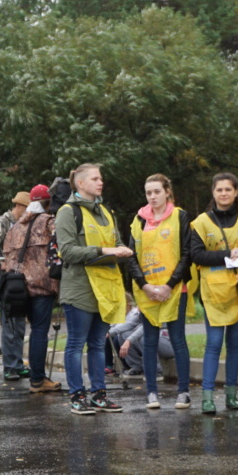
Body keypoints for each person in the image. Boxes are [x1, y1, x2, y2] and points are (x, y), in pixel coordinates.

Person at [57, 163, 140, 416]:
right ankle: (77, 395)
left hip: (105, 289)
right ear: (80, 183)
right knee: (76, 344)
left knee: (96, 344)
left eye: (101, 178)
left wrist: (122, 249)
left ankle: (99, 395)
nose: (100, 182)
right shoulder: (67, 212)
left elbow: (115, 243)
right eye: (94, 178)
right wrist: (106, 251)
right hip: (80, 290)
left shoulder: (105, 211)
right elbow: (67, 251)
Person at [187, 174, 238, 413]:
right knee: (214, 343)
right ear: (213, 192)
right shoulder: (201, 222)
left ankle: (231, 395)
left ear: (236, 192)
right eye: (219, 189)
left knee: (235, 342)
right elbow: (196, 255)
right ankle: (207, 397)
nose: (224, 193)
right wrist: (228, 255)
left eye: (228, 189)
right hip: (214, 291)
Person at [130, 174, 194, 410]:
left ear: (167, 191)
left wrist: (169, 285)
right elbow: (131, 257)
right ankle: (151, 393)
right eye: (148, 193)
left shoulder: (180, 216)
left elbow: (187, 254)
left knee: (178, 340)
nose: (153, 197)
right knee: (149, 341)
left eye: (157, 191)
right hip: (147, 291)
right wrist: (145, 286)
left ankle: (183, 392)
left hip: (174, 289)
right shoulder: (138, 219)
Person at [0, 186, 65, 394]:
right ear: (48, 202)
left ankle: (37, 376)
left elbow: (7, 256)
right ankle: (37, 379)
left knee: (32, 330)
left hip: (18, 287)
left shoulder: (16, 226)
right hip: (42, 287)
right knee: (39, 332)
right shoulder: (49, 222)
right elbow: (61, 247)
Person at [0, 190, 37, 380]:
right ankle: (10, 366)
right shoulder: (3, 222)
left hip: (18, 277)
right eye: (27, 207)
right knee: (9, 321)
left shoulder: (24, 223)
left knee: (19, 322)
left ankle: (18, 363)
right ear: (19, 206)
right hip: (5, 278)